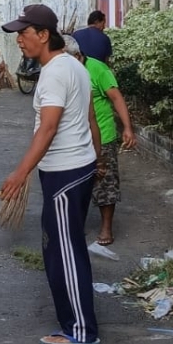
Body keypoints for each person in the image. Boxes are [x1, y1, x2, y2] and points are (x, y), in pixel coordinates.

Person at [0, 4, 103, 344]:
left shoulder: (56, 73)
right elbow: (89, 119)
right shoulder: (74, 66)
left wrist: (19, 173)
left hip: (65, 171)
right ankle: (77, 324)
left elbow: (48, 128)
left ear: (44, 35)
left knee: (64, 252)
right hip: (77, 168)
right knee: (65, 246)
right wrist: (96, 160)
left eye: (24, 35)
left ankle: (81, 330)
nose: (20, 42)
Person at [62, 34, 136, 246]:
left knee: (105, 181)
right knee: (77, 182)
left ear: (77, 56)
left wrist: (128, 129)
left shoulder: (97, 69)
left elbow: (116, 98)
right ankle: (75, 225)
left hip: (102, 136)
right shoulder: (64, 71)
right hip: (74, 137)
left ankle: (106, 228)